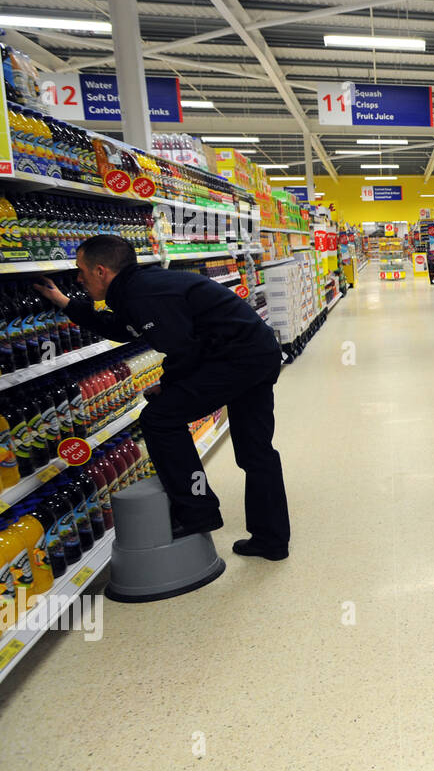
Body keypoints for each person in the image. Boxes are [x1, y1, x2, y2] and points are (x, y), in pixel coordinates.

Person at [33, 235, 291, 560]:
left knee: (159, 419)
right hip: (255, 352)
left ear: (100, 271)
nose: (78, 279)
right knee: (256, 452)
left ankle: (198, 510)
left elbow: (184, 348)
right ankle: (272, 539)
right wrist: (68, 303)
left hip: (237, 360)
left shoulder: (144, 294)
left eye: (81, 270)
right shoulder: (136, 288)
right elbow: (123, 329)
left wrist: (168, 387)